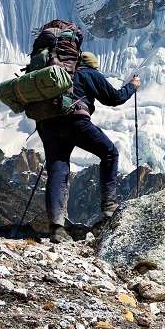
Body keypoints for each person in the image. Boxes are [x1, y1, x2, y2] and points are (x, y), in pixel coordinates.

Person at [36, 51, 140, 242]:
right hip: (75, 122)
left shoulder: (56, 75)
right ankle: (109, 208)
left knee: (58, 169)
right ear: (92, 65)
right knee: (109, 153)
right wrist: (132, 86)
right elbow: (114, 98)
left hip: (47, 124)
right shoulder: (89, 74)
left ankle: (57, 228)